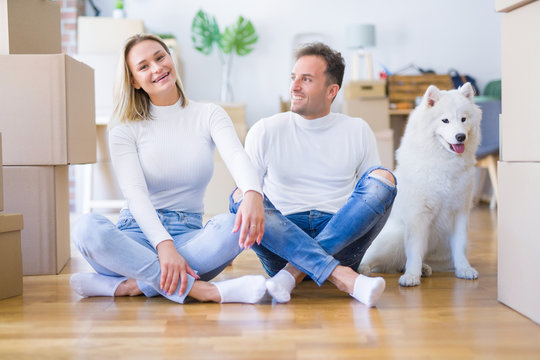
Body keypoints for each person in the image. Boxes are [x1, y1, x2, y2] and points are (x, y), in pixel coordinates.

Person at [70, 33, 269, 304]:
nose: (157, 68)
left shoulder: (208, 114)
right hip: (136, 234)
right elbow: (136, 194)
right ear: (134, 81)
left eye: (160, 57)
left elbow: (236, 156)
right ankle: (202, 290)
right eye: (143, 66)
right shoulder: (124, 128)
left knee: (232, 225)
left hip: (188, 234)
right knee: (86, 228)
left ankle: (127, 285)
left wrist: (252, 194)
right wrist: (164, 247)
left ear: (170, 58)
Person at [231, 42, 397, 305]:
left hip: (343, 238)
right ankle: (342, 277)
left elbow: (372, 195)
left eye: (306, 79)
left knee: (384, 180)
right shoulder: (265, 130)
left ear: (332, 91)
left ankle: (292, 274)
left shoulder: (357, 130)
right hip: (281, 243)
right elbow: (248, 202)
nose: (294, 87)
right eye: (293, 78)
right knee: (241, 194)